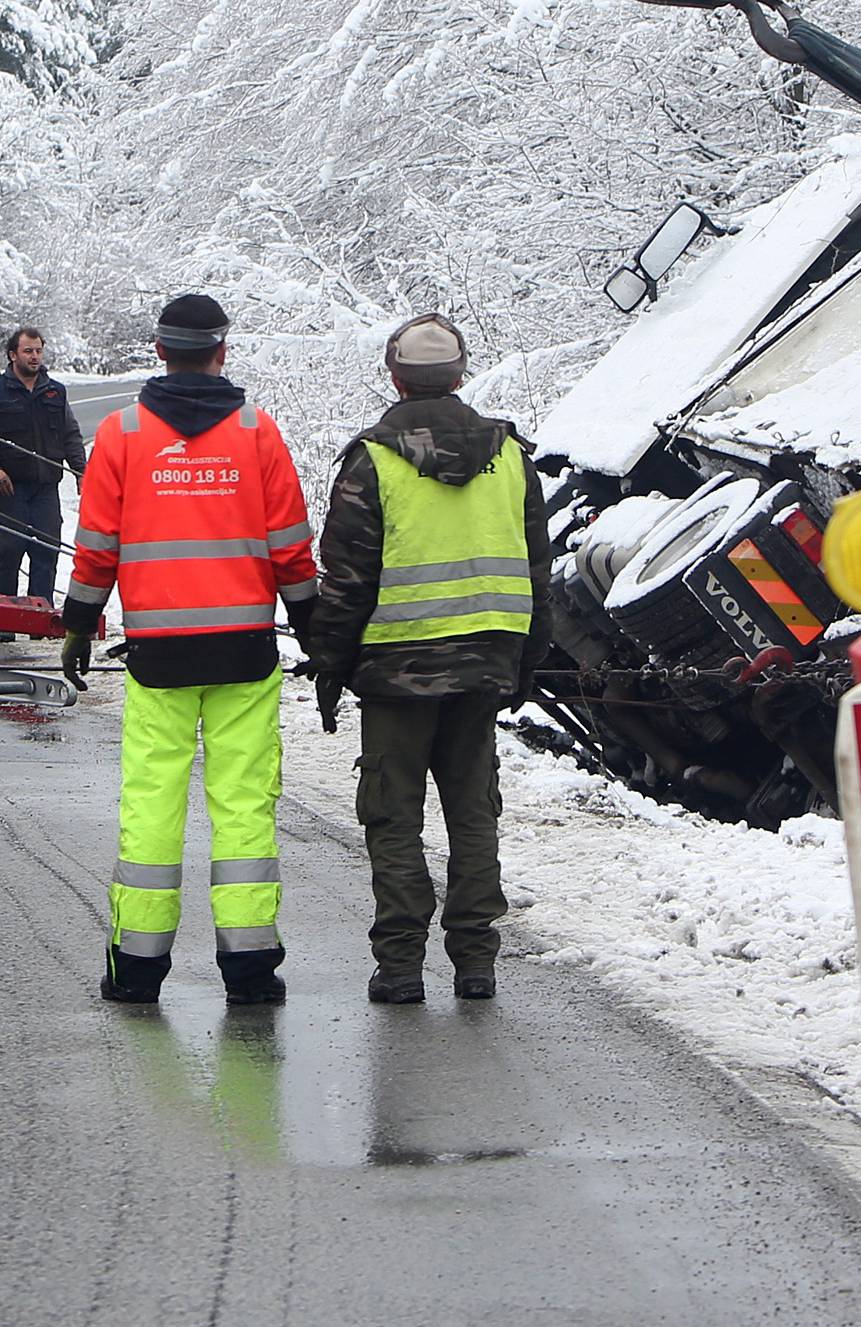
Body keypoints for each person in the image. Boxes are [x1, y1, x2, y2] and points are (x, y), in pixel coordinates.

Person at [61, 293, 316, 1008]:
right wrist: (315, 628)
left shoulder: (122, 433)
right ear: (222, 350)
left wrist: (80, 624)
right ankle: (252, 967)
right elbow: (292, 548)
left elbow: (96, 547)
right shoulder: (258, 433)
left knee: (152, 801)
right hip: (243, 653)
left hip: (159, 655)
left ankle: (137, 968)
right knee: (243, 807)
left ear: (160, 348)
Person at [308, 314, 551, 1005]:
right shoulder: (511, 455)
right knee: (473, 812)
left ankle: (401, 965)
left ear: (394, 376)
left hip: (394, 671)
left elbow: (346, 580)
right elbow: (539, 570)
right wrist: (527, 661)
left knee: (393, 814)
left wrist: (330, 663)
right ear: (461, 374)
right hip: (485, 664)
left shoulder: (373, 459)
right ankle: (477, 962)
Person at [0, 328, 86, 601]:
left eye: (38, 351)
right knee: (10, 550)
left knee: (47, 550)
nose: (34, 357)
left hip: (45, 487)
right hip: (7, 488)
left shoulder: (55, 392)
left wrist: (82, 471)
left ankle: (40, 615)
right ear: (13, 355)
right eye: (28, 351)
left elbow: (70, 434)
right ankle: (5, 620)